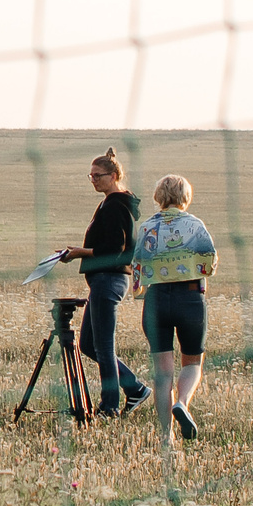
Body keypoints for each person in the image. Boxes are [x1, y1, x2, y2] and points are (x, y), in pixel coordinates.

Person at [53, 149, 149, 418]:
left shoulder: (117, 205)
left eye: (98, 175)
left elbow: (114, 251)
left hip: (109, 278)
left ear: (114, 175)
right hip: (104, 279)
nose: (93, 180)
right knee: (87, 345)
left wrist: (80, 253)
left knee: (104, 347)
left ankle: (109, 407)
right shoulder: (112, 202)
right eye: (91, 176)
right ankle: (136, 389)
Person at [133, 173, 218, 443]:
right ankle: (182, 402)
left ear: (159, 196)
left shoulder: (148, 227)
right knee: (192, 361)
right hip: (190, 297)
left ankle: (165, 435)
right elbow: (209, 264)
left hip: (157, 299)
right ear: (185, 197)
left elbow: (137, 268)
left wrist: (142, 293)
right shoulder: (195, 225)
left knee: (162, 372)